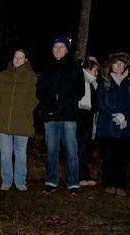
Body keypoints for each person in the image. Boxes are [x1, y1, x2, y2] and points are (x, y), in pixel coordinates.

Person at [36, 36, 85, 195]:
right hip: (50, 116)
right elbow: (40, 91)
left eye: (61, 47)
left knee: (71, 150)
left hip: (69, 115)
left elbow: (79, 91)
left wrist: (63, 105)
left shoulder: (75, 67)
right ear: (52, 50)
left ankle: (73, 183)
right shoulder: (46, 68)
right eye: (55, 47)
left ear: (66, 49)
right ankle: (51, 181)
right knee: (52, 150)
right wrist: (52, 106)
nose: (58, 49)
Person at [0, 48, 38, 191]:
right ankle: (6, 180)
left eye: (21, 57)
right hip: (3, 120)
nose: (17, 60)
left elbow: (34, 97)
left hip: (22, 121)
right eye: (15, 57)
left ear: (26, 60)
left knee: (20, 152)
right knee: (5, 153)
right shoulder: (3, 75)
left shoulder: (31, 76)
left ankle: (20, 181)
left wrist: (27, 111)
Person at [95, 51, 130, 196]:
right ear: (110, 66)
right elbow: (100, 103)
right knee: (109, 156)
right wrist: (113, 115)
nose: (119, 66)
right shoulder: (105, 84)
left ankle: (120, 184)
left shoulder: (128, 84)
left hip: (125, 128)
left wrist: (124, 115)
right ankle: (109, 183)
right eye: (116, 63)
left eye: (122, 63)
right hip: (107, 127)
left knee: (122, 157)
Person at [77, 58, 100, 186]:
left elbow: (95, 104)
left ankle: (85, 175)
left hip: (89, 117)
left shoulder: (93, 83)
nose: (97, 73)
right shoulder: (80, 79)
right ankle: (80, 176)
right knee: (80, 148)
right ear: (88, 69)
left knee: (86, 148)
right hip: (80, 116)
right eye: (96, 70)